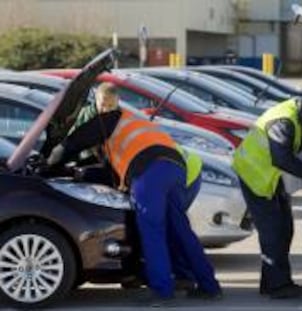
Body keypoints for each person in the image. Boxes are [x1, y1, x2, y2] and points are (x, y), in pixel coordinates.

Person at [47, 82, 222, 303]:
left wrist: (48, 164)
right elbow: (109, 172)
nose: (105, 107)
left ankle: (161, 292)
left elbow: (71, 144)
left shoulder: (107, 119)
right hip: (176, 169)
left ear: (103, 103)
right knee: (181, 231)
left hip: (149, 174)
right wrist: (77, 173)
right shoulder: (132, 118)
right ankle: (210, 286)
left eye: (106, 104)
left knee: (152, 232)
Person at [232, 96, 302, 299]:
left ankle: (271, 282)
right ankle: (278, 286)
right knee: (273, 232)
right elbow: (281, 157)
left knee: (285, 229)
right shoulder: (284, 121)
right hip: (255, 175)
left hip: (271, 179)